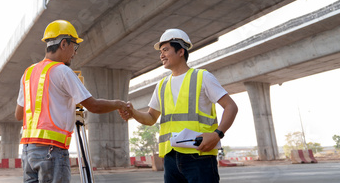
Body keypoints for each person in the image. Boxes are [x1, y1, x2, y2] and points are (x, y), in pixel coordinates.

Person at [15, 20, 128, 183]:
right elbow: (94, 106)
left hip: (28, 151)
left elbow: (19, 114)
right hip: (52, 151)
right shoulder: (62, 71)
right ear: (63, 43)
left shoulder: (28, 73)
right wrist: (119, 103)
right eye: (74, 47)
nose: (74, 53)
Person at [120, 29, 238, 183]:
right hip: (171, 158)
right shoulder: (161, 85)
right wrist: (133, 112)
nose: (161, 55)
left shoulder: (202, 77)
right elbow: (150, 118)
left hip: (199, 156)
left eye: (165, 50)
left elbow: (231, 107)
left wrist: (217, 134)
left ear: (181, 51)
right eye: (160, 51)